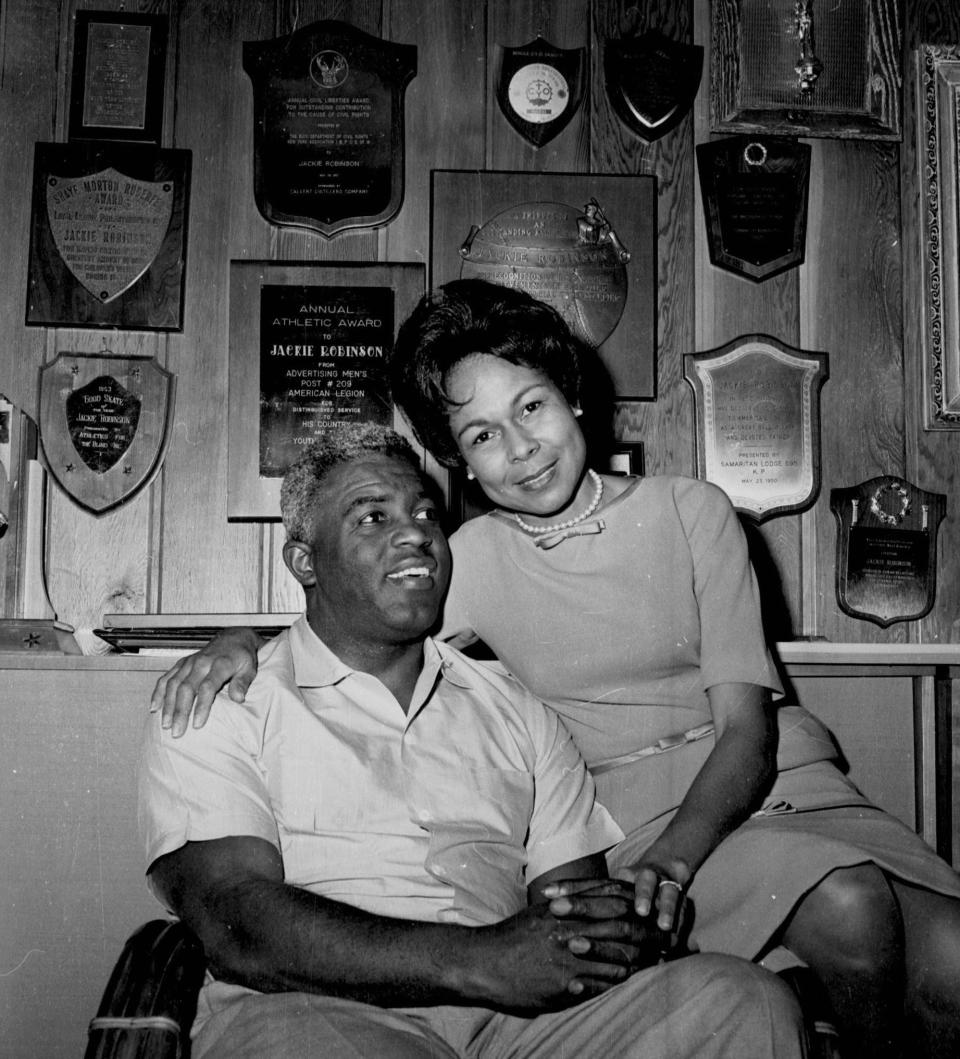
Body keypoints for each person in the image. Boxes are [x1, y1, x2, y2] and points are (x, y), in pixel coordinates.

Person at [154, 282, 960, 1059]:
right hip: (636, 819)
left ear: (571, 396)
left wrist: (669, 866)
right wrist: (240, 641)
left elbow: (747, 727)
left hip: (769, 780)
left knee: (953, 956)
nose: (521, 448)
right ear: (461, 461)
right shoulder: (463, 555)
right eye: (482, 435)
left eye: (531, 407)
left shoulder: (691, 510)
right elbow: (355, 600)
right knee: (852, 907)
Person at [139, 422, 807, 1059]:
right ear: (303, 561)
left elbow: (568, 912)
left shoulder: (517, 711)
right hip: (314, 1011)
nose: (415, 535)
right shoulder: (220, 702)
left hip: (514, 1028)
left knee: (744, 1001)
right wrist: (483, 962)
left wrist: (611, 928)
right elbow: (237, 922)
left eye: (427, 514)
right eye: (373, 516)